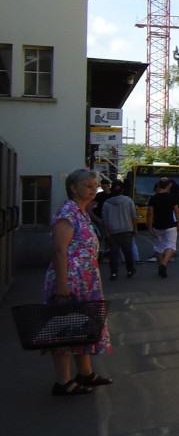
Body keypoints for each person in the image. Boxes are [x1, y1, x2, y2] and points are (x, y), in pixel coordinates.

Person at [43, 168, 113, 396]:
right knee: (64, 329)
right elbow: (59, 249)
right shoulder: (68, 212)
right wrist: (62, 286)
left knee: (83, 328)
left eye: (95, 186)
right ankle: (62, 382)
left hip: (86, 280)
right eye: (88, 185)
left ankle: (86, 373)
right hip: (70, 280)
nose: (93, 190)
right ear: (74, 188)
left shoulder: (81, 211)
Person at [101, 180, 138, 279]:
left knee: (114, 253)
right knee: (128, 252)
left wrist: (106, 231)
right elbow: (133, 216)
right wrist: (135, 228)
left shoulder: (107, 203)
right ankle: (130, 270)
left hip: (112, 231)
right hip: (126, 230)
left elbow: (104, 219)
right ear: (122, 190)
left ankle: (114, 272)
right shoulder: (128, 201)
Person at [146, 176, 179, 278]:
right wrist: (178, 223)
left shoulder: (153, 198)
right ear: (168, 186)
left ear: (159, 186)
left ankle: (160, 266)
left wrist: (149, 226)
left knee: (158, 247)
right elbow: (177, 211)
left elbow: (150, 214)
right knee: (171, 246)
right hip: (170, 225)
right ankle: (164, 264)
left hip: (157, 225)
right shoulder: (172, 197)